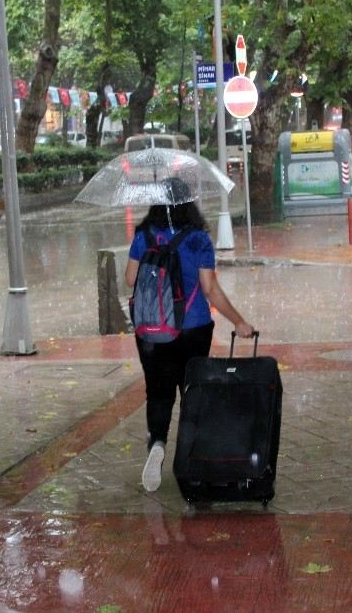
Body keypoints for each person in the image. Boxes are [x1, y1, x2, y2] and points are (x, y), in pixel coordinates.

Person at [124, 181, 255, 492]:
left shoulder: (143, 236)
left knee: (158, 392)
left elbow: (130, 279)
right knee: (192, 393)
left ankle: (157, 442)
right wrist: (239, 321)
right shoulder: (198, 239)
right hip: (193, 327)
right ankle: (191, 464)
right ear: (189, 203)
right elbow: (210, 289)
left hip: (152, 330)